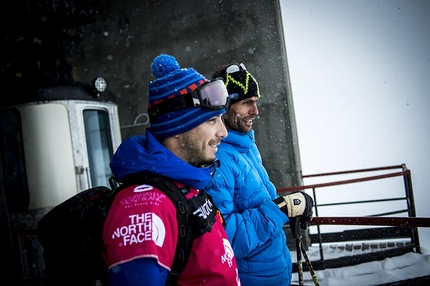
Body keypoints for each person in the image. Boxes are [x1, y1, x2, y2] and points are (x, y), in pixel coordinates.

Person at [103, 54, 242, 286]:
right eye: (211, 121)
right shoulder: (147, 205)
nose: (223, 132)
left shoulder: (187, 183)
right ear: (176, 128)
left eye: (221, 119)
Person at [204, 62, 314, 286]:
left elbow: (258, 205)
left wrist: (286, 208)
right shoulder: (217, 160)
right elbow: (227, 238)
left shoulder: (245, 148)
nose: (255, 111)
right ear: (223, 108)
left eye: (255, 102)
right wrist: (281, 208)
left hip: (275, 274)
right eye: (246, 103)